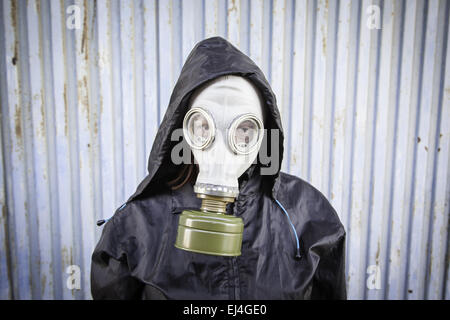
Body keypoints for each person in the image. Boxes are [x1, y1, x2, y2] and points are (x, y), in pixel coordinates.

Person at [90, 37, 346, 300]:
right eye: (204, 126)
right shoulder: (135, 225)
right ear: (183, 129)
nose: (221, 153)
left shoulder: (310, 217)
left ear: (264, 135)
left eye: (243, 130)